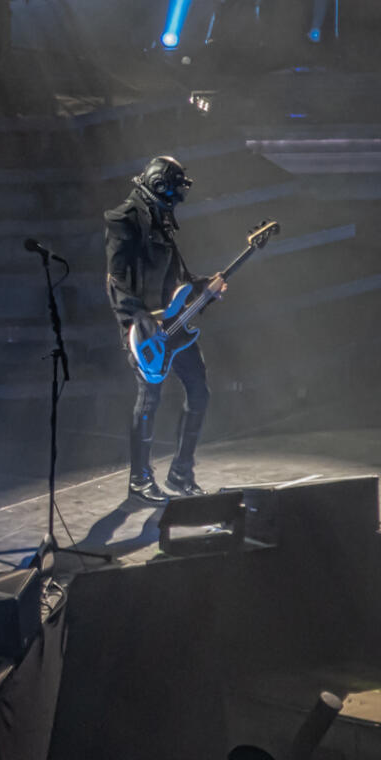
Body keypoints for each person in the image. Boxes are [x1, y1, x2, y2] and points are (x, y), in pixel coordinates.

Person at [105, 156, 220, 503]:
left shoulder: (163, 219)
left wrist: (204, 288)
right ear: (160, 186)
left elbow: (177, 279)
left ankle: (181, 472)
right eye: (175, 190)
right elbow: (116, 279)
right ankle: (139, 480)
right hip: (144, 330)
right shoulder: (124, 218)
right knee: (149, 398)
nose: (178, 199)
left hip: (175, 323)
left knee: (199, 391)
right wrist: (139, 318)